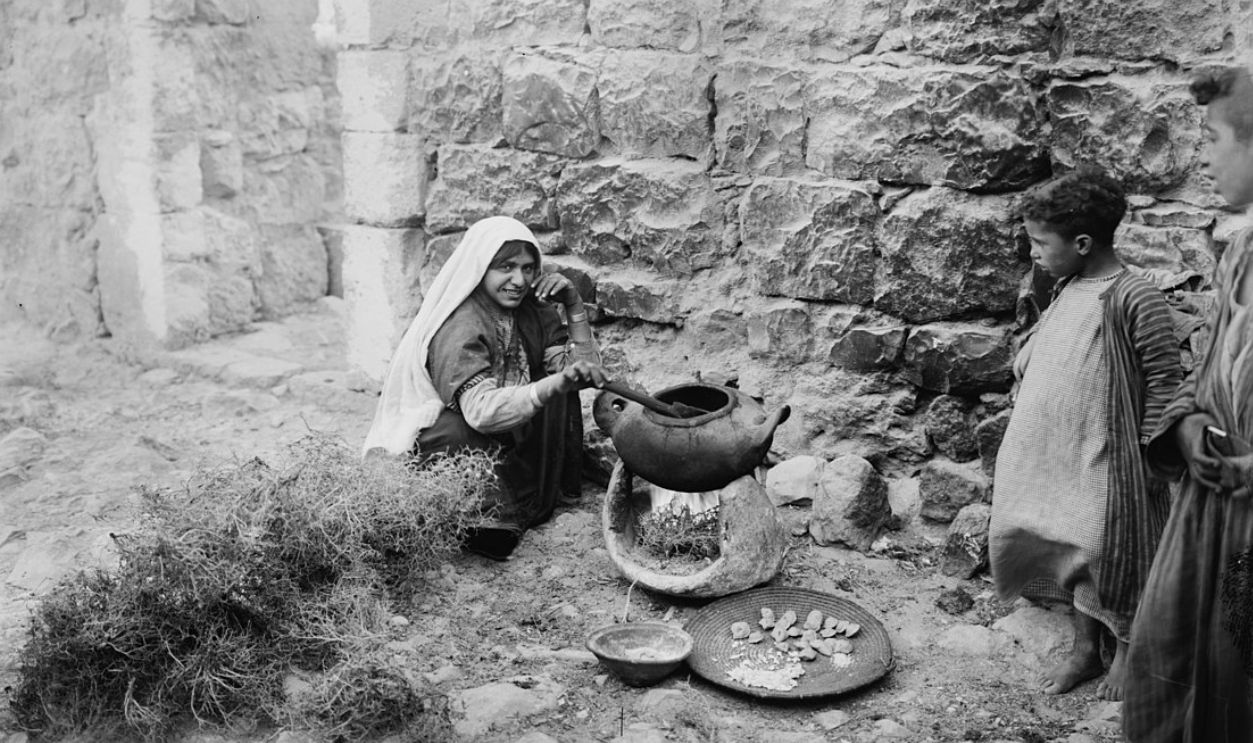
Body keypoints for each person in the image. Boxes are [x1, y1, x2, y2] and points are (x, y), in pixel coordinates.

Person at [989, 168, 1184, 701]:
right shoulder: (1070, 285)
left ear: (1081, 242)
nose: (1032, 253)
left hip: (1114, 456)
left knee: (1111, 549)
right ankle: (1083, 650)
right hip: (1064, 455)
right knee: (1072, 544)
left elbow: (1165, 377)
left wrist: (1152, 454)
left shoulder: (1134, 296)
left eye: (1038, 243)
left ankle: (1125, 650)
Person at [1123, 66, 1253, 743]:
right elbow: (1209, 376)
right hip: (1213, 508)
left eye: (1212, 138)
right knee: (1178, 659)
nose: (1200, 156)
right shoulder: (1238, 256)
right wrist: (1195, 423)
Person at [362, 215, 610, 560]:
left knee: (561, 392)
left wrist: (573, 304)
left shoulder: (535, 311)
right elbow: (480, 413)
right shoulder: (460, 325)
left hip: (512, 434)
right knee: (452, 432)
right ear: (480, 268)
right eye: (505, 267)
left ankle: (529, 494)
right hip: (470, 437)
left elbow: (587, 371)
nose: (518, 280)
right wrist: (552, 385)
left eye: (527, 268)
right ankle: (484, 518)